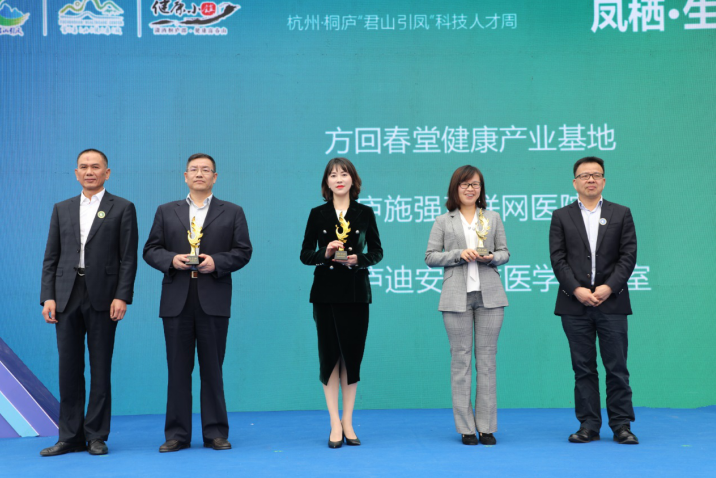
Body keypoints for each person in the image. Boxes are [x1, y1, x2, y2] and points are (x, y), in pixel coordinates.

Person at [143, 153, 252, 453]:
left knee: (212, 370)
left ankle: (215, 432)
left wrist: (217, 262)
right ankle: (177, 435)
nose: (199, 174)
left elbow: (243, 251)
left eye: (206, 170)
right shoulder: (167, 211)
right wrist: (171, 260)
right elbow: (151, 249)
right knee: (177, 370)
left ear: (215, 177)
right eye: (194, 169)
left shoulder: (232, 212)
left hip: (213, 298)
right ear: (185, 176)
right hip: (176, 299)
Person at [40, 149, 138, 456]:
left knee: (100, 367)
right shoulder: (62, 208)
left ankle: (96, 434)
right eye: (83, 167)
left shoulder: (122, 207)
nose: (89, 171)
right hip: (66, 295)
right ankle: (70, 436)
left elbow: (128, 258)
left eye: (96, 167)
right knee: (68, 368)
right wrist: (48, 296)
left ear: (107, 173)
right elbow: (51, 256)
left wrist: (122, 295)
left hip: (104, 296)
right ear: (76, 173)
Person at [549, 156, 638, 445]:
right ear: (574, 182)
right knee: (583, 368)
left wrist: (609, 287)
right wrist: (576, 289)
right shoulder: (561, 216)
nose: (590, 179)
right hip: (574, 304)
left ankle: (621, 425)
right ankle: (588, 425)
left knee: (617, 367)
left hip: (612, 302)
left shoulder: (621, 213)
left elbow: (628, 256)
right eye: (584, 175)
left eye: (596, 175)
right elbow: (558, 259)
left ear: (604, 181)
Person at [300, 157, 383, 448]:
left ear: (353, 180)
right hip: (325, 294)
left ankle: (348, 421)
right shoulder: (317, 213)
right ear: (327, 182)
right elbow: (305, 254)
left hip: (356, 293)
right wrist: (325, 252)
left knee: (351, 357)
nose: (339, 179)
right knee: (330, 357)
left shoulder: (365, 212)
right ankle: (334, 422)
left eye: (344, 174)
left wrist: (358, 259)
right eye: (333, 175)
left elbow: (377, 252)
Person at [425, 165, 509, 446]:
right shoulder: (443, 220)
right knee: (460, 362)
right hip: (455, 297)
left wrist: (492, 257)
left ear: (481, 189)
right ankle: (466, 428)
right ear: (455, 188)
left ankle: (486, 427)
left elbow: (505, 252)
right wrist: (459, 254)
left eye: (475, 184)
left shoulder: (492, 217)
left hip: (490, 297)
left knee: (487, 363)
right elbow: (430, 256)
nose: (470, 189)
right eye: (465, 184)